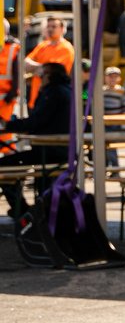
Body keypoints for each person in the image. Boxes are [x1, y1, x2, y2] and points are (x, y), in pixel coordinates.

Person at [0, 62, 73, 215]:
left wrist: (7, 125)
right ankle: (29, 210)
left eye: (41, 76)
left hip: (50, 151)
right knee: (15, 166)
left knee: (4, 166)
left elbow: (36, 121)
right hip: (60, 150)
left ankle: (22, 210)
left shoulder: (53, 93)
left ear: (49, 76)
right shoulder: (66, 90)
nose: (38, 79)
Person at [25, 16, 75, 106]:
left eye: (54, 26)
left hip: (54, 97)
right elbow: (26, 63)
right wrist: (42, 67)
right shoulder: (42, 46)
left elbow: (54, 70)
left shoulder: (66, 48)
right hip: (37, 96)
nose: (50, 29)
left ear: (62, 29)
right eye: (48, 26)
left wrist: (36, 68)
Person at [0, 20, 21, 156]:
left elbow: (17, 74)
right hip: (5, 97)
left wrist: (12, 93)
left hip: (5, 99)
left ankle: (11, 160)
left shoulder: (13, 48)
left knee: (5, 133)